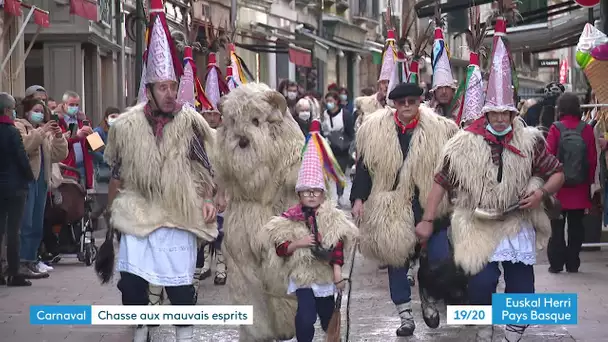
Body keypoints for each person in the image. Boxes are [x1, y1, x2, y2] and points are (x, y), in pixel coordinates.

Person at [416, 36, 565, 342]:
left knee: (522, 288)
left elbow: (557, 173)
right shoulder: (464, 144)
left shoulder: (530, 141)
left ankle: (513, 327)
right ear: (486, 113)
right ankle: (485, 322)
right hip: (479, 224)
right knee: (481, 284)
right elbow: (440, 181)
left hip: (517, 223)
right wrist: (428, 220)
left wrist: (540, 193)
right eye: (493, 112)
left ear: (513, 113)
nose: (499, 118)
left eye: (504, 112)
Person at [102, 1, 218, 340]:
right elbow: (118, 174)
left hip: (177, 211)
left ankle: (184, 331)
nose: (170, 94)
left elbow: (205, 167)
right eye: (162, 87)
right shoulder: (126, 127)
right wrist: (111, 214)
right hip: (138, 210)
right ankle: (143, 327)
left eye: (173, 86)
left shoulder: (190, 123)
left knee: (180, 286)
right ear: (149, 90)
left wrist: (208, 198)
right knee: (132, 286)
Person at [351, 82, 458, 336]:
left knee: (440, 256)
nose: (407, 106)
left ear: (419, 102)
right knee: (395, 260)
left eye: (412, 101)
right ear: (393, 105)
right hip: (391, 205)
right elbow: (365, 168)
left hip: (429, 203)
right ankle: (405, 315)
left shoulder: (441, 130)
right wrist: (358, 199)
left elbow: (452, 167)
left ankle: (429, 294)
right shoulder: (374, 131)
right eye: (401, 103)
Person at [264, 119, 357, 342]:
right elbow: (280, 247)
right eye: (306, 191)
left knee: (327, 317)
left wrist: (337, 273)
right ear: (299, 195)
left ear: (323, 194)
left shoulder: (332, 217)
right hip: (302, 275)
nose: (312, 195)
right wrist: (298, 243)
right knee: (305, 317)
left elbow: (338, 246)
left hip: (325, 275)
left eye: (316, 191)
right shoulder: (288, 219)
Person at [14, 99, 68, 277]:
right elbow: (24, 146)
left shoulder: (43, 131)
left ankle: (31, 259)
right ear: (27, 111)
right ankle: (20, 261)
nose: (39, 113)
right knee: (26, 223)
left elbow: (57, 155)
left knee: (37, 224)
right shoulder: (20, 126)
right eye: (36, 110)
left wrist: (59, 137)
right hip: (28, 180)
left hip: (42, 181)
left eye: (41, 111)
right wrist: (40, 132)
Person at [545, 93, 597, 274]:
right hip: (580, 187)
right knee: (576, 227)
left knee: (557, 227)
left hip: (558, 187)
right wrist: (589, 183)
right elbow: (592, 159)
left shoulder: (555, 128)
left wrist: (549, 183)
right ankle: (573, 263)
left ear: (560, 108)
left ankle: (556, 264)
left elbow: (549, 156)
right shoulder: (587, 129)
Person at [0, 92, 35, 286]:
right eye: (13, 109)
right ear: (7, 110)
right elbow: (21, 157)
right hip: (14, 186)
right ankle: (14, 272)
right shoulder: (11, 131)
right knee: (14, 230)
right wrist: (29, 176)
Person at [321, 91, 355, 207]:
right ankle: (326, 196)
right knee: (328, 173)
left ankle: (339, 195)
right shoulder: (324, 114)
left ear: (336, 101)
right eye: (327, 101)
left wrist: (349, 145)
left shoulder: (345, 115)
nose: (329, 103)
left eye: (331, 101)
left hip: (342, 150)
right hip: (328, 148)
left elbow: (351, 133)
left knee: (339, 173)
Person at [55, 90, 95, 190]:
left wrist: (92, 135)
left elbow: (96, 146)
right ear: (64, 104)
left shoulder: (83, 120)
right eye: (71, 104)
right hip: (67, 166)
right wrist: (76, 136)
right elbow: (60, 142)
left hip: (84, 167)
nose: (74, 108)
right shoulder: (58, 121)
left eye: (77, 105)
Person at [90, 106, 121, 231]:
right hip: (103, 173)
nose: (115, 120)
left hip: (117, 173)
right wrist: (107, 160)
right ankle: (91, 219)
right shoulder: (97, 131)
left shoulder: (121, 132)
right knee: (102, 203)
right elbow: (91, 150)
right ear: (106, 118)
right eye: (113, 117)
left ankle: (112, 230)